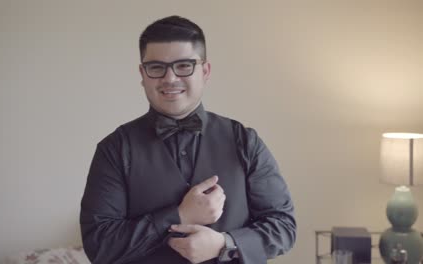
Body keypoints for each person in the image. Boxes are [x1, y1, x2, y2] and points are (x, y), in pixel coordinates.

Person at [80, 15, 296, 264]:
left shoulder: (245, 141)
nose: (170, 78)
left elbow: (284, 227)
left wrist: (225, 244)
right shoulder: (114, 149)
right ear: (142, 74)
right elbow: (99, 245)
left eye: (184, 66)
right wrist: (179, 215)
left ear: (205, 71)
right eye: (156, 67)